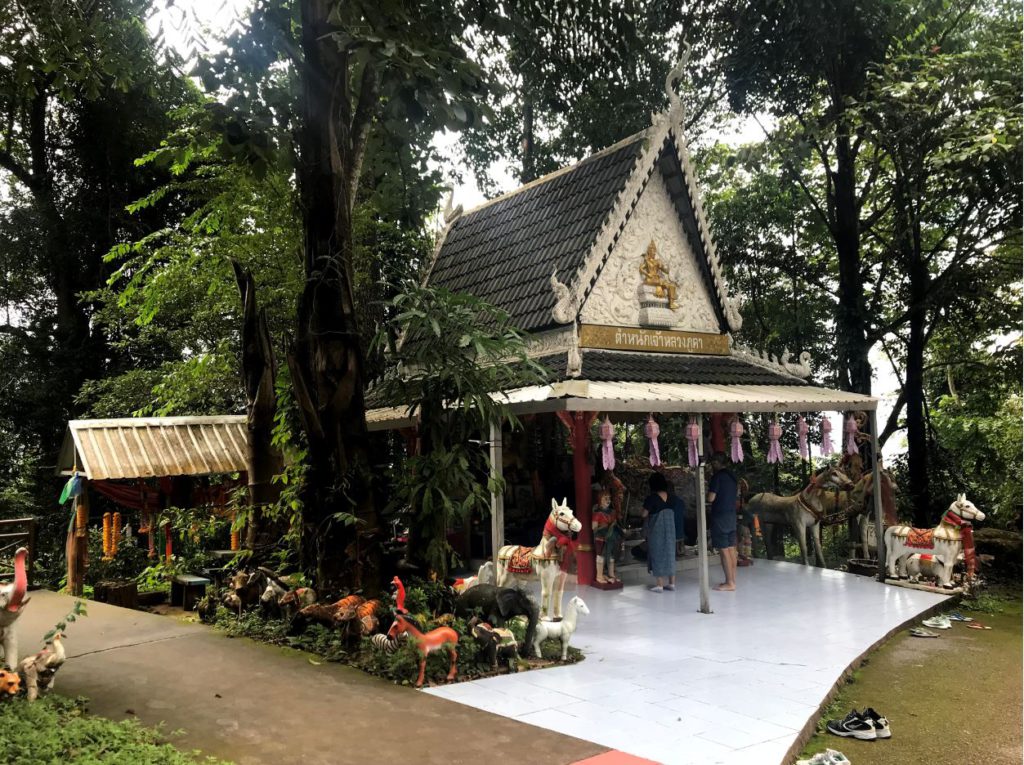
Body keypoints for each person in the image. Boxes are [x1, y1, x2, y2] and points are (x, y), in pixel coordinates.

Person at [707, 452, 739, 591]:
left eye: (713, 463)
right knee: (731, 548)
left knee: (723, 550)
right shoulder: (732, 476)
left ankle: (729, 583)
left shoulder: (717, 477)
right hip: (731, 515)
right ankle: (732, 579)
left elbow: (711, 498)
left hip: (720, 516)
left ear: (716, 463)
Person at [643, 472, 678, 592]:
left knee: (657, 552)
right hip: (670, 529)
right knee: (670, 553)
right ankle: (672, 583)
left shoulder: (651, 498)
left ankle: (659, 584)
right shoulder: (672, 497)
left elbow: (644, 514)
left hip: (656, 529)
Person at [592, 489, 623, 584]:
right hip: (601, 538)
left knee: (611, 556)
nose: (608, 501)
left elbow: (615, 524)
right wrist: (603, 526)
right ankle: (599, 575)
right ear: (600, 500)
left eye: (609, 498)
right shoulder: (597, 513)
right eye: (605, 498)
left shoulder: (612, 512)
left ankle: (611, 574)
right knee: (600, 556)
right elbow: (594, 527)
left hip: (611, 538)